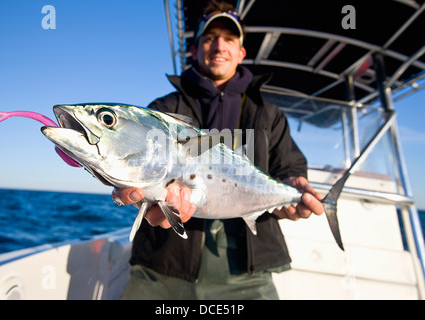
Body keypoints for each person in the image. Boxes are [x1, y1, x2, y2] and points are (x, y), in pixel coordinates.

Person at [113, 0, 324, 300]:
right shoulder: (164, 112)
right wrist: (138, 194)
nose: (219, 46)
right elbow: (144, 170)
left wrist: (293, 189)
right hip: (163, 265)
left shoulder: (268, 114)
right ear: (195, 49)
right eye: (210, 38)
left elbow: (288, 168)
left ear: (241, 52)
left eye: (229, 39)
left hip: (248, 273)